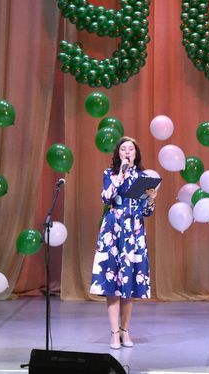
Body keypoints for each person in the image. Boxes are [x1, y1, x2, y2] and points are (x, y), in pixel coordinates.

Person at [90, 136, 158, 349]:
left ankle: (125, 330)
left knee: (129, 281)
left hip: (134, 230)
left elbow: (146, 212)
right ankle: (113, 333)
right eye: (123, 149)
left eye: (131, 149)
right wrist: (120, 174)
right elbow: (106, 198)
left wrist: (151, 199)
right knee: (113, 282)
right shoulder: (109, 174)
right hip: (113, 229)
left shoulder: (143, 177)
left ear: (136, 153)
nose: (127, 152)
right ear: (118, 154)